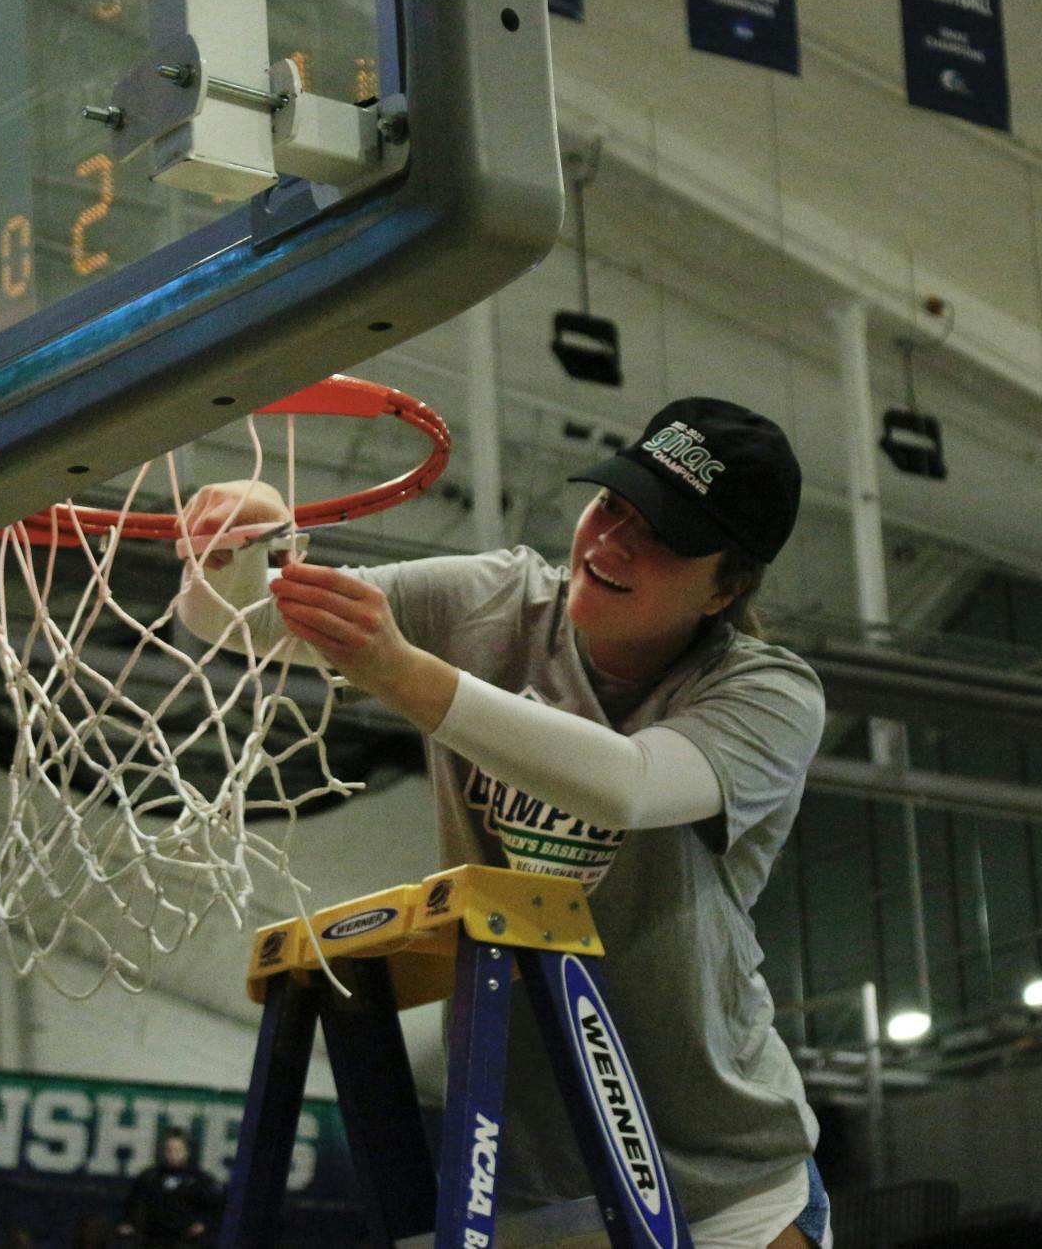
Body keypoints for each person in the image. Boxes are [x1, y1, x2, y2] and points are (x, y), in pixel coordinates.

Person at [178, 397, 832, 1249]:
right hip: (521, 1177)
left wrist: (404, 672)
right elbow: (239, 619)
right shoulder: (493, 600)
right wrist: (247, 540)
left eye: (661, 535)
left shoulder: (769, 692)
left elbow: (627, 785)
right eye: (612, 505)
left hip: (718, 1178)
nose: (609, 542)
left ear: (728, 587)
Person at [120, 1129, 222, 1247]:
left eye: (178, 1150)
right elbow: (132, 1203)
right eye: (169, 1150)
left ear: (186, 1151)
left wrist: (203, 1224)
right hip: (152, 1239)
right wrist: (128, 1223)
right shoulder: (151, 1176)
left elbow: (216, 1208)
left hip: (185, 1241)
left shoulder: (200, 1179)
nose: (173, 1154)